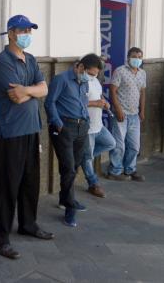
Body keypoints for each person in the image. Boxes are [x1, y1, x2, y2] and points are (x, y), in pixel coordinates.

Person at [0, 15, 53, 260]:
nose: (27, 34)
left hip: (31, 129)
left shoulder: (31, 60)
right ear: (12, 33)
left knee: (30, 181)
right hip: (11, 132)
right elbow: (14, 97)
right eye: (23, 30)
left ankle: (28, 224)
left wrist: (27, 90)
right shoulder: (3, 62)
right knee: (7, 186)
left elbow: (44, 89)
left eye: (30, 30)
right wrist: (32, 92)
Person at [45, 53, 104, 227]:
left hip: (81, 128)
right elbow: (49, 102)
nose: (92, 78)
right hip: (64, 127)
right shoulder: (61, 79)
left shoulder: (84, 82)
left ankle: (65, 199)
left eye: (95, 75)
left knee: (76, 164)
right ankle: (70, 208)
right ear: (80, 67)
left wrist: (85, 121)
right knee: (68, 168)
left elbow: (82, 102)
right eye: (91, 73)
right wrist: (57, 122)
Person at [108, 47, 147, 182]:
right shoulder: (120, 71)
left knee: (134, 146)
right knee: (119, 145)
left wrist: (142, 110)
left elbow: (142, 92)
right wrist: (117, 109)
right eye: (134, 56)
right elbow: (112, 91)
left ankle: (130, 169)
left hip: (134, 115)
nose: (137, 59)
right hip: (121, 114)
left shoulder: (142, 73)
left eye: (140, 57)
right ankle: (115, 171)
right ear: (129, 57)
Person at [80, 70, 116, 198]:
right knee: (88, 158)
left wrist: (105, 102)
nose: (96, 72)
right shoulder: (82, 81)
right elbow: (77, 102)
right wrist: (95, 103)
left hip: (98, 124)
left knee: (111, 143)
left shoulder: (95, 81)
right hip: (88, 127)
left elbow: (99, 97)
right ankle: (93, 183)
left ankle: (83, 159)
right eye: (94, 68)